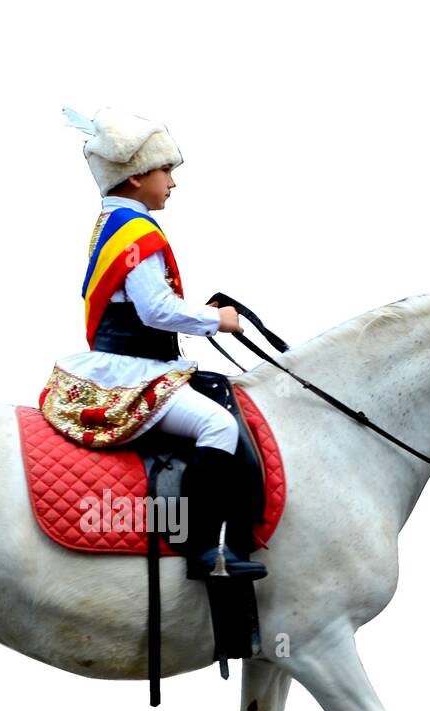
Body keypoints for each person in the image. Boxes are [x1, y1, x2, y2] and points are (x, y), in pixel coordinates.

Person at [40, 106, 266, 580]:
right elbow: (156, 310)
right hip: (134, 371)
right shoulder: (137, 231)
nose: (172, 182)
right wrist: (218, 320)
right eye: (166, 170)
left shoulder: (112, 224)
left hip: (129, 362)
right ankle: (207, 552)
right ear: (137, 176)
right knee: (220, 428)